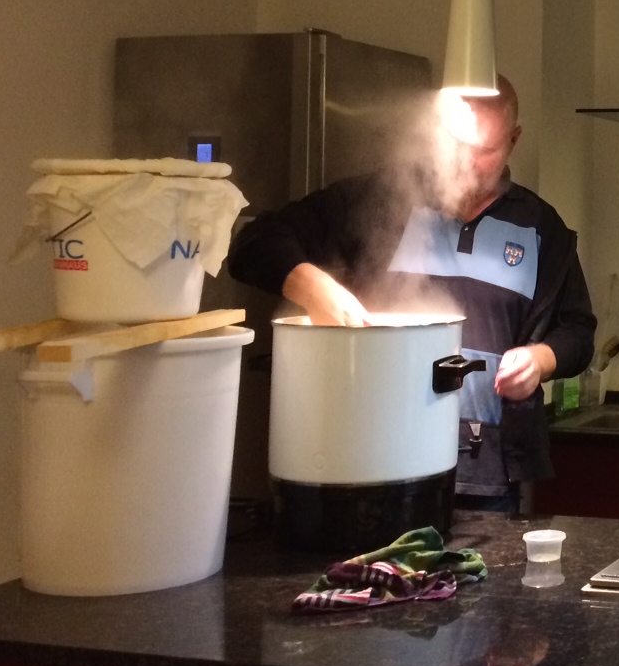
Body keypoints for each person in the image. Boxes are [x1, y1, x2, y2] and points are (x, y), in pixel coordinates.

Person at [228, 75, 595, 509]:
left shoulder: (541, 228)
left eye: (484, 151)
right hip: (377, 462)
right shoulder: (381, 201)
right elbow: (253, 244)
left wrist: (541, 359)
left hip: (487, 477)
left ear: (513, 141)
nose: (466, 164)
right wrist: (313, 286)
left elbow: (578, 331)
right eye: (456, 146)